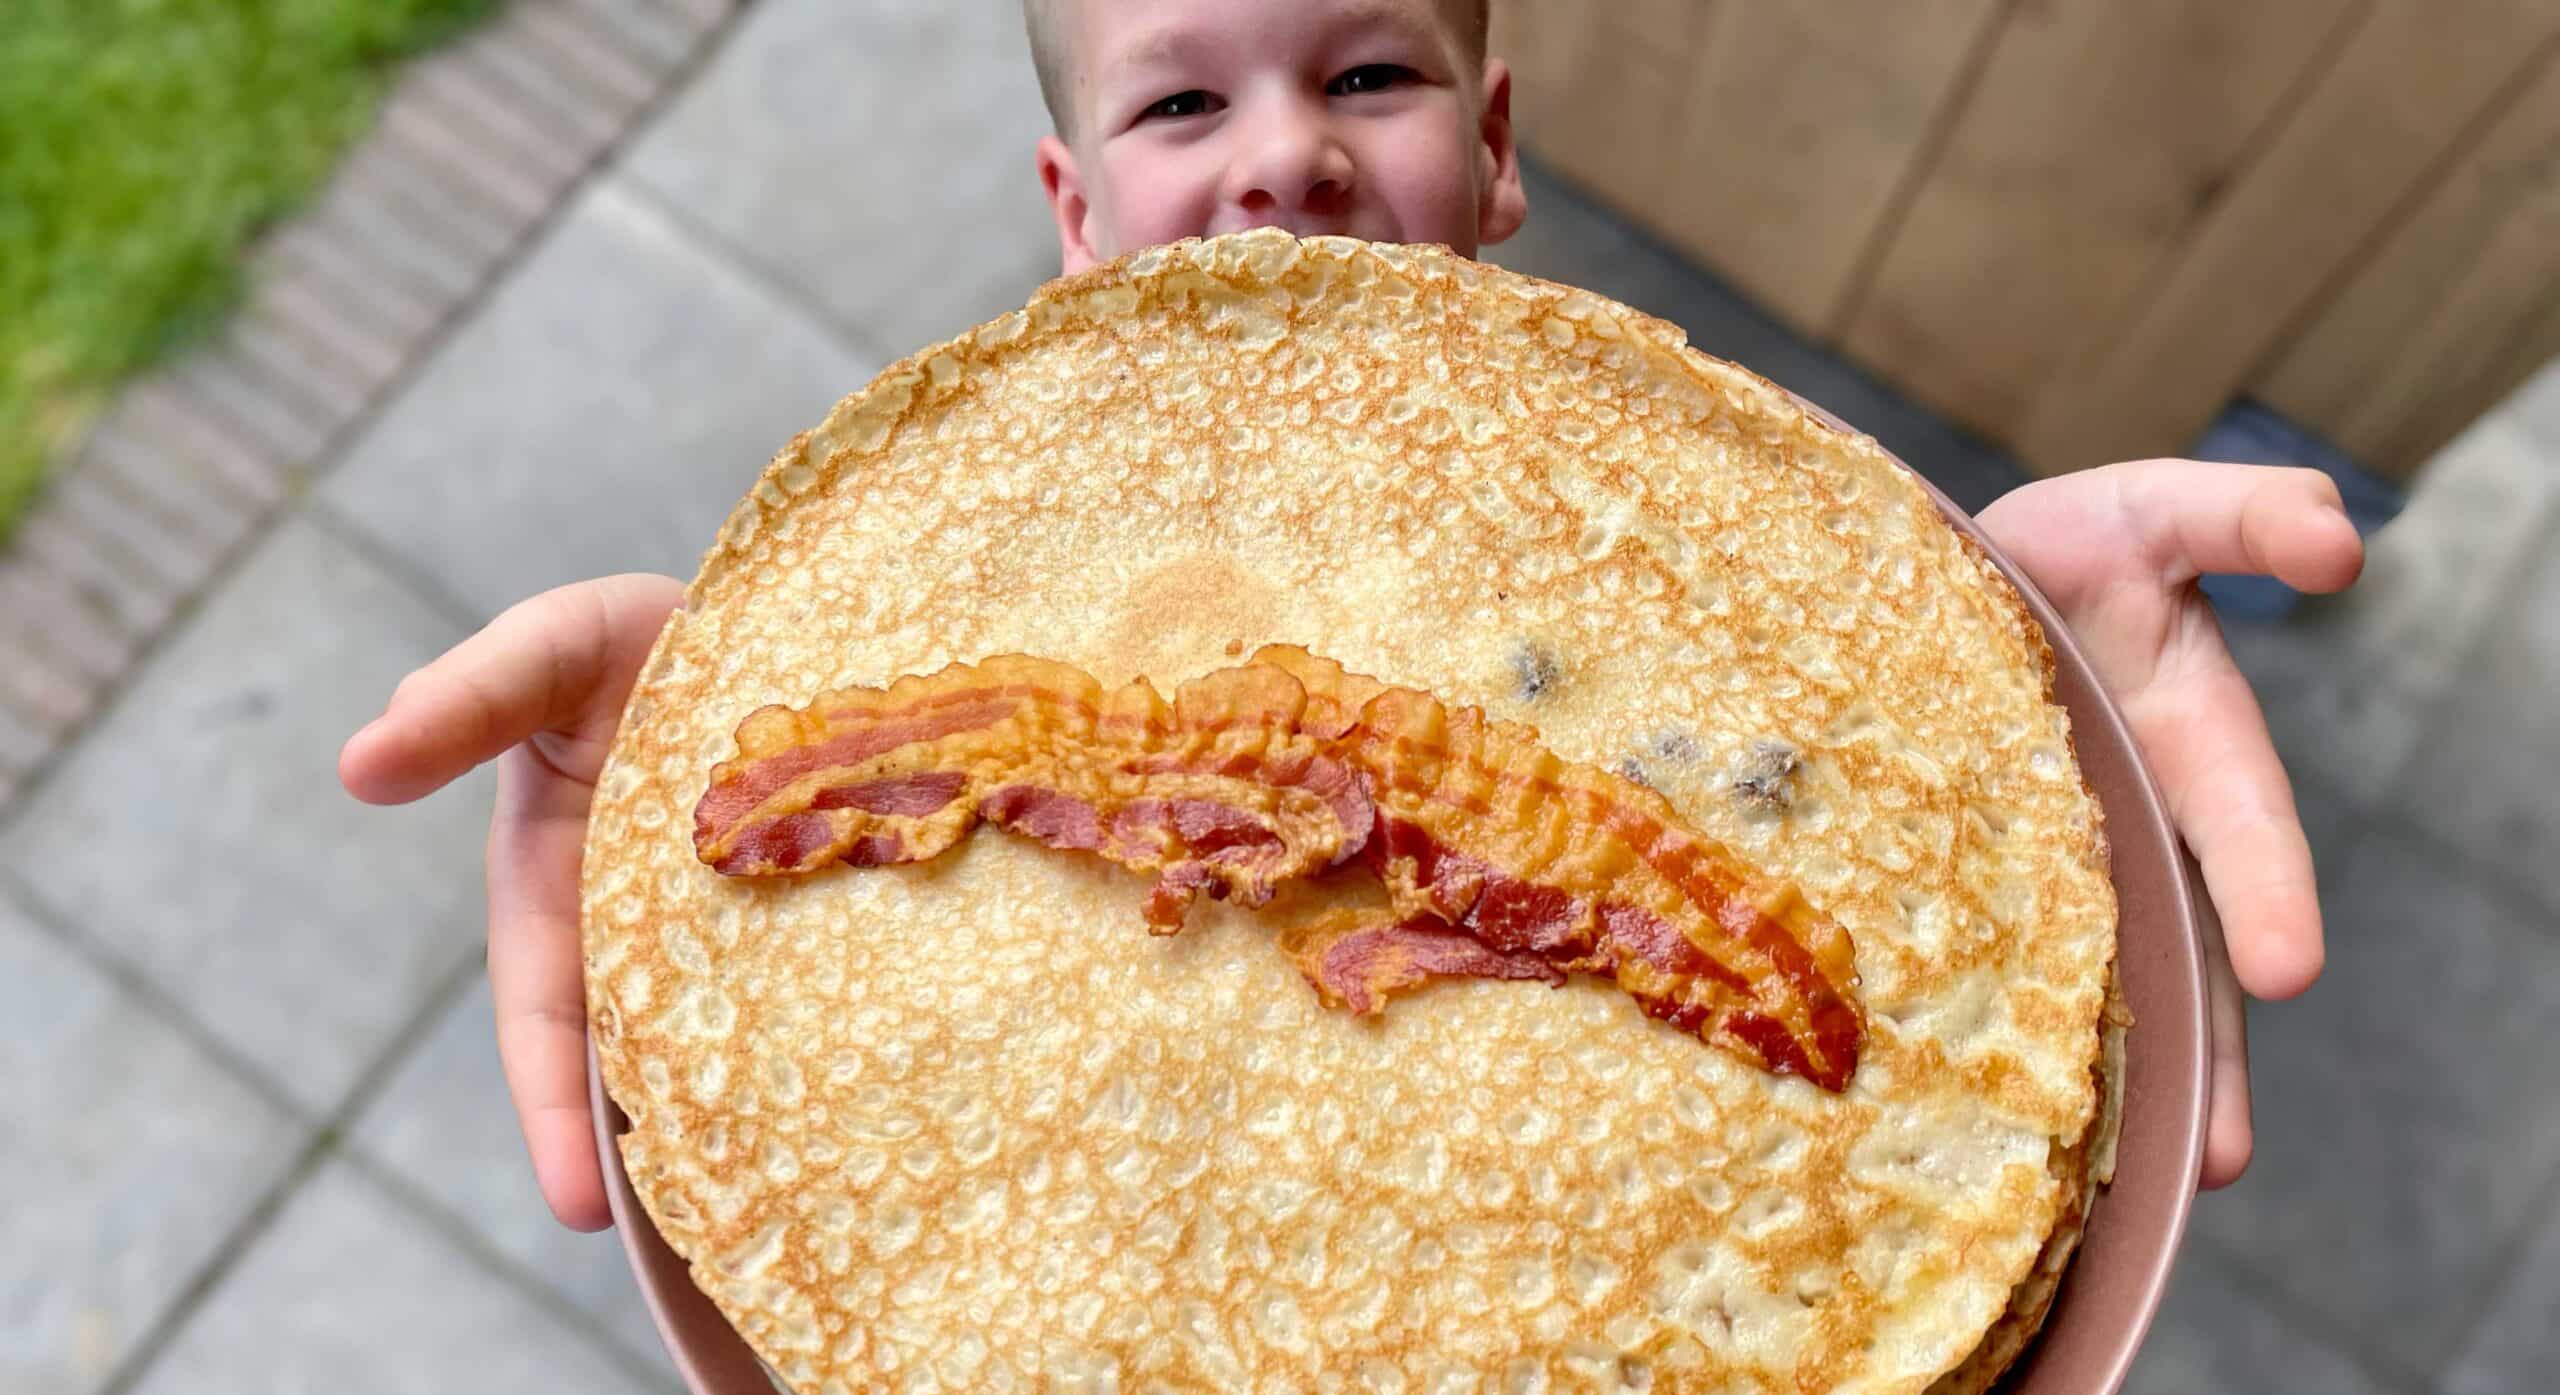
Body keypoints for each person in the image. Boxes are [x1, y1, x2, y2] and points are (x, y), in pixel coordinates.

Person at [340, 0, 2361, 1233]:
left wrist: (1996, 641)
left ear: (1489, 153)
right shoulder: (1005, 525)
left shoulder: (1644, 489)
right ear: (1072, 216)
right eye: (1176, 109)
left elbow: (1805, 714)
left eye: (1367, 71)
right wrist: (696, 703)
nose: (1283, 157)